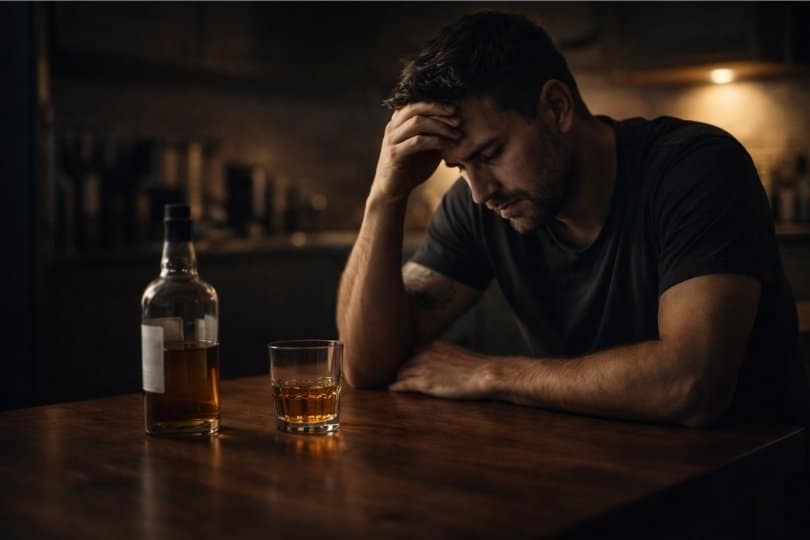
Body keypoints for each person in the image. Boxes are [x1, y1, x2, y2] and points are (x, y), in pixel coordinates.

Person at [336, 11, 805, 427]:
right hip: (595, 475)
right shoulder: (480, 203)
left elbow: (690, 385)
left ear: (557, 108)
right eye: (460, 168)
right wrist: (385, 196)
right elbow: (368, 366)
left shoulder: (696, 169)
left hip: (745, 480)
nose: (480, 192)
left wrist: (490, 373)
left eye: (491, 153)